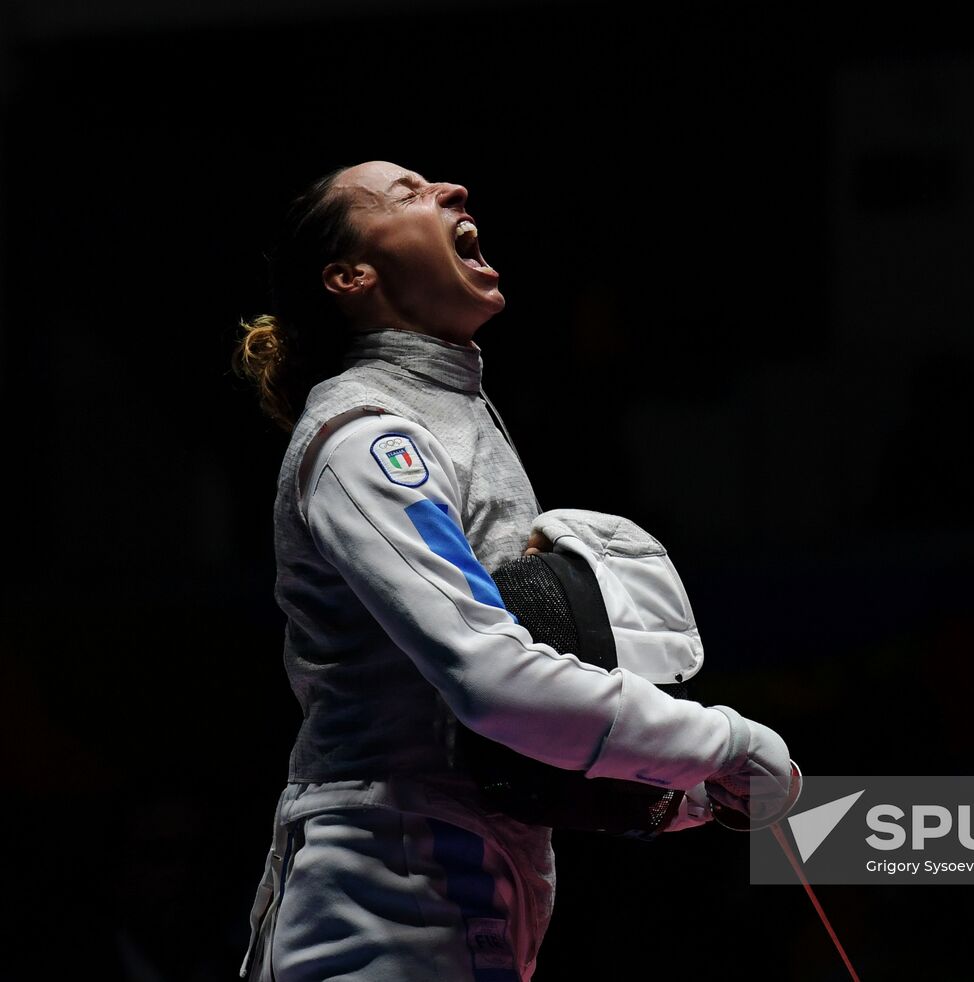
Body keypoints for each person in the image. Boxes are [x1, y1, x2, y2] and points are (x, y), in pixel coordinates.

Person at [231, 160, 797, 982]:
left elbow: (502, 748)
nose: (452, 192)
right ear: (352, 276)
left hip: (463, 887)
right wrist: (718, 743)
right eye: (407, 194)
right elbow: (489, 680)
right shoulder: (363, 438)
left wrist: (687, 790)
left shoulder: (453, 414)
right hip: (378, 899)